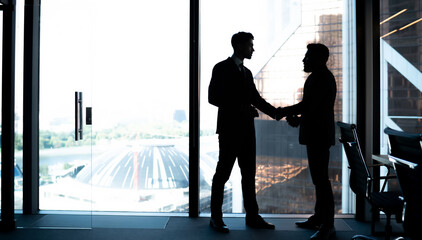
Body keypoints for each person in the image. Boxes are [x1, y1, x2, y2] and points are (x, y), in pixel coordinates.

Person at [208, 32, 281, 233]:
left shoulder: (247, 72)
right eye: (250, 45)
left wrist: (278, 114)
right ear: (238, 46)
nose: (253, 49)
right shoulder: (221, 68)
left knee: (249, 174)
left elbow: (256, 99)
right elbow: (213, 97)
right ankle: (216, 218)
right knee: (222, 173)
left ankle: (252, 216)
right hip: (230, 130)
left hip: (247, 130)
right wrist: (241, 107)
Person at [279, 43, 337, 240]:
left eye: (307, 57)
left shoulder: (321, 78)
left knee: (321, 180)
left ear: (319, 59)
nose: (303, 60)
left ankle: (327, 225)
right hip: (317, 134)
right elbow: (315, 109)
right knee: (318, 179)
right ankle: (320, 217)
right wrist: (300, 119)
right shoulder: (318, 77)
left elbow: (309, 106)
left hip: (319, 136)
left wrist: (283, 112)